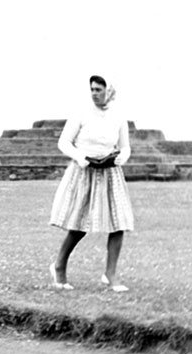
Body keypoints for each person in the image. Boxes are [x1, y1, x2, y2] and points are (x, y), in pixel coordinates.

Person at [49, 75, 134, 292]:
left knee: (119, 224)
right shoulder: (81, 112)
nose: (95, 93)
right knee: (79, 225)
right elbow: (64, 142)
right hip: (85, 171)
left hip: (109, 172)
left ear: (110, 91)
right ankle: (59, 266)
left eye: (99, 89)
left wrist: (122, 156)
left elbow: (125, 146)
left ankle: (110, 274)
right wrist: (80, 157)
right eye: (92, 89)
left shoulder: (118, 116)